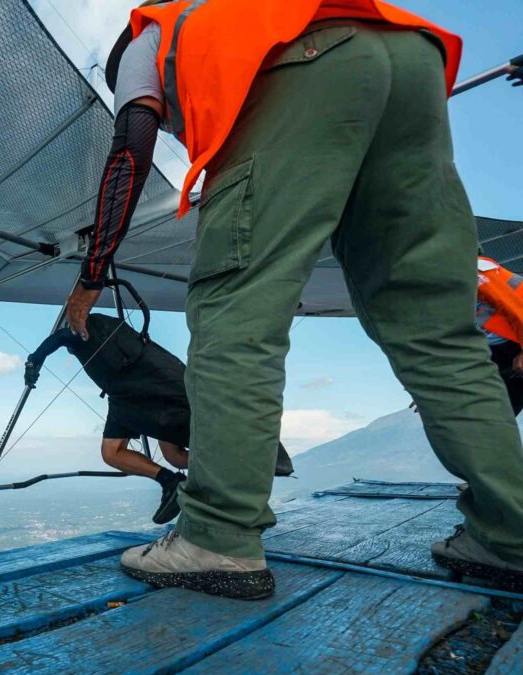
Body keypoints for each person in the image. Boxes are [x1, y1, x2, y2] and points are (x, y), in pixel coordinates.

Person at [65, 0, 523, 599]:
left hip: (310, 59)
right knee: (439, 330)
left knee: (236, 308)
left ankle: (217, 537)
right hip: (412, 61)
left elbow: (132, 143)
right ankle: (509, 536)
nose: (182, 128)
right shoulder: (230, 14)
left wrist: (92, 272)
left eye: (175, 116)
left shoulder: (142, 39)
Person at [25, 311, 295, 525]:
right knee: (150, 455)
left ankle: (252, 455)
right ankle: (172, 480)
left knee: (176, 441)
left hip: (149, 388)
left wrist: (34, 360)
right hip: (132, 393)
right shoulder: (103, 331)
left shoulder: (83, 329)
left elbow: (57, 340)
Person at [476, 255, 523, 415]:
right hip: (499, 351)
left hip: (518, 338)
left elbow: (514, 309)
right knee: (495, 417)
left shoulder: (472, 269)